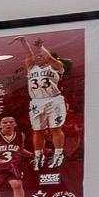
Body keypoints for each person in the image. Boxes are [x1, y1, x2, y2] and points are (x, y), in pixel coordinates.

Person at [26, 41, 74, 175]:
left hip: (54, 100)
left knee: (55, 128)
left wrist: (41, 47)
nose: (39, 56)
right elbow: (28, 55)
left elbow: (49, 58)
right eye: (38, 55)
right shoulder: (31, 68)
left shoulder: (57, 67)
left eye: (41, 55)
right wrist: (24, 42)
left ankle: (58, 154)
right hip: (36, 102)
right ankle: (38, 156)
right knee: (37, 131)